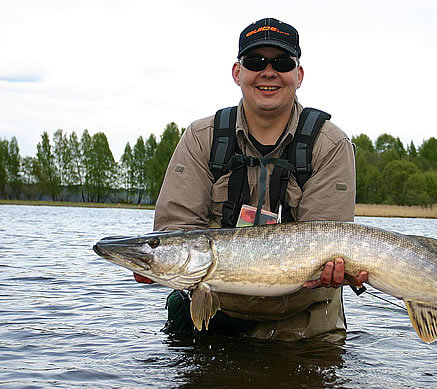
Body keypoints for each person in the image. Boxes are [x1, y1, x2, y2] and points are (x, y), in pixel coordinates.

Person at [137, 17, 367, 342]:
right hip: (216, 311)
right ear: (237, 72)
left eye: (282, 62)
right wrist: (155, 260)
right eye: (255, 61)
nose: (268, 72)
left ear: (298, 75)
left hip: (304, 323)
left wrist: (336, 269)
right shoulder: (202, 137)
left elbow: (326, 240)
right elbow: (176, 231)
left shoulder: (330, 144)